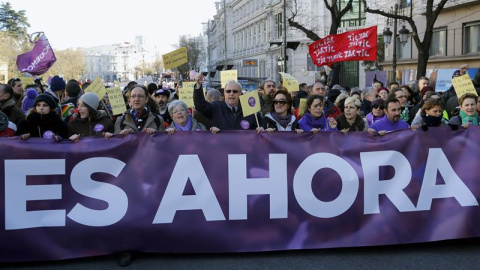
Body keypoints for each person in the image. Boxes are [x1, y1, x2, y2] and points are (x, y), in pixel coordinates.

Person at [193, 74, 261, 133]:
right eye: (228, 91)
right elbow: (200, 105)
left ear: (240, 94)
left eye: (235, 91)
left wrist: (261, 130)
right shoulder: (216, 107)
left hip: (243, 147)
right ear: (224, 93)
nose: (231, 94)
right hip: (223, 146)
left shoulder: (250, 110)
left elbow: (259, 128)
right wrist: (198, 85)